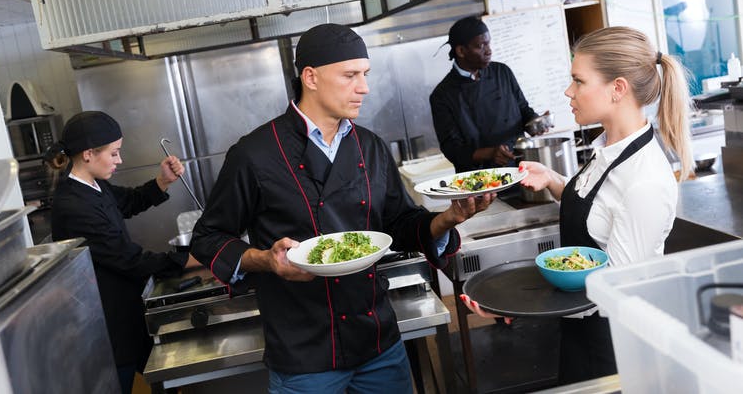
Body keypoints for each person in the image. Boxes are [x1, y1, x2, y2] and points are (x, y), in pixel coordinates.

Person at [190, 23, 493, 393]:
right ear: (311, 77)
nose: (364, 87)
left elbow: (399, 222)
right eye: (350, 75)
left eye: (365, 75)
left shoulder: (370, 146)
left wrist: (447, 219)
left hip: (377, 342)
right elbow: (208, 237)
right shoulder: (254, 154)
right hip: (304, 353)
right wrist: (264, 259)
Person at [461, 26, 694, 385]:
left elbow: (617, 288)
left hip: (616, 349)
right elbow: (598, 211)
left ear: (618, 89)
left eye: (579, 81)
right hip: (582, 334)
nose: (569, 91)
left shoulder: (644, 180)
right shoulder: (606, 149)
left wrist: (519, 302)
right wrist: (554, 182)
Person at [45, 111, 202, 394]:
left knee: (164, 378)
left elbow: (128, 202)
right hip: (106, 325)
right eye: (114, 153)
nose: (120, 160)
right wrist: (189, 261)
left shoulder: (94, 185)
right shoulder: (73, 206)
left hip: (127, 308)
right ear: (89, 154)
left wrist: (162, 181)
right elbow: (128, 259)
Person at [430, 15, 546, 173]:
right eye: (481, 46)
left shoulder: (502, 72)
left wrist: (535, 123)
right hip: (480, 180)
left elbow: (523, 109)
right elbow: (453, 150)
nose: (489, 50)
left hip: (520, 169)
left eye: (489, 43)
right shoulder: (442, 95)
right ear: (461, 51)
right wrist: (490, 153)